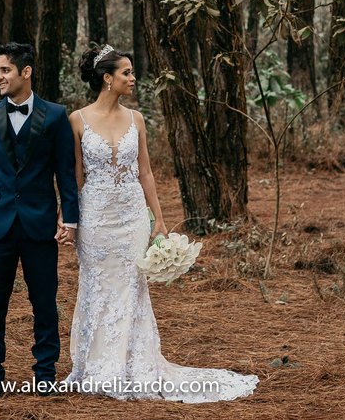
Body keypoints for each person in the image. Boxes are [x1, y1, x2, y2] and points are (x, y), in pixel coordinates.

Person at [63, 43, 258, 402]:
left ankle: (134, 365)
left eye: (132, 72)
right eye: (127, 73)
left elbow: (146, 172)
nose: (133, 78)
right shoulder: (77, 119)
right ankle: (96, 366)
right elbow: (75, 177)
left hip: (133, 216)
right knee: (96, 287)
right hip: (95, 219)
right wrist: (68, 219)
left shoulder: (136, 120)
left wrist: (159, 221)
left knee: (133, 288)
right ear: (107, 79)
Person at [0, 42, 79, 397]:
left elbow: (66, 172)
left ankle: (45, 374)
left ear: (25, 72)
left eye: (5, 70)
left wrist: (70, 220)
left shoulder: (56, 115)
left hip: (40, 223)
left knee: (44, 303)